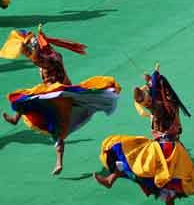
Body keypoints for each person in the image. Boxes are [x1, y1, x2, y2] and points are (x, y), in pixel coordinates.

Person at [94, 67, 194, 205]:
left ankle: (111, 179)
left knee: (128, 155)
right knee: (166, 187)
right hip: (175, 151)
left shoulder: (161, 106)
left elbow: (144, 99)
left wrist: (142, 91)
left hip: (161, 149)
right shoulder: (170, 103)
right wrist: (150, 82)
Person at [0, 26, 119, 175]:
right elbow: (39, 59)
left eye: (28, 49)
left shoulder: (48, 59)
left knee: (52, 124)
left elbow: (37, 60)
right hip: (53, 93)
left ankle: (58, 161)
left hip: (58, 96)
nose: (26, 52)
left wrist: (29, 48)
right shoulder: (53, 55)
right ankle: (15, 118)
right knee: (28, 99)